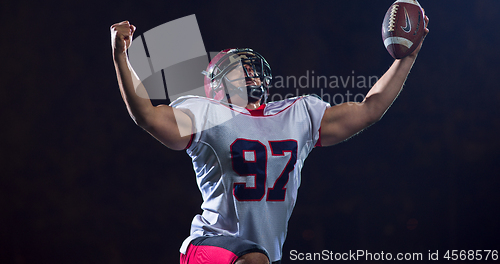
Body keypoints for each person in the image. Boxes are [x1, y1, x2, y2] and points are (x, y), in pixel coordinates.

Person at [110, 17, 429, 264]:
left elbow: (369, 108)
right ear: (216, 85)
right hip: (208, 247)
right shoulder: (206, 112)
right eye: (236, 67)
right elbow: (147, 115)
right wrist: (121, 56)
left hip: (263, 255)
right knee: (254, 258)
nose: (248, 70)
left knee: (258, 257)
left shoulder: (298, 114)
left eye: (251, 65)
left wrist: (406, 58)